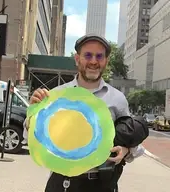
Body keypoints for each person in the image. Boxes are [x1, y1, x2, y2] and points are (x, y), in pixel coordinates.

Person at [23, 34, 148, 192]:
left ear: (106, 61)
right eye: (88, 55)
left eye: (99, 56)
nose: (94, 61)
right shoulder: (56, 95)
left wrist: (126, 150)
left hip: (101, 184)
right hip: (62, 183)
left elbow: (130, 135)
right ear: (77, 59)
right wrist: (32, 116)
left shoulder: (117, 99)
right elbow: (29, 139)